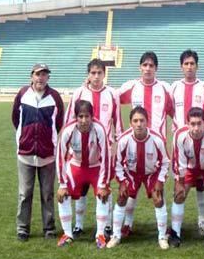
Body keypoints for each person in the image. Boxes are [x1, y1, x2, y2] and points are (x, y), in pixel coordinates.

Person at [64, 58, 122, 239]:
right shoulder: (79, 93)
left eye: (99, 73)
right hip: (80, 151)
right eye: (93, 73)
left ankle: (106, 226)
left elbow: (117, 123)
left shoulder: (112, 94)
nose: (96, 76)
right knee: (81, 189)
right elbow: (68, 122)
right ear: (88, 75)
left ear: (105, 74)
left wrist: (115, 147)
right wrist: (68, 151)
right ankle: (79, 226)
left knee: (104, 187)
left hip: (103, 152)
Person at [119, 52, 173, 237]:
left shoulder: (165, 89)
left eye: (151, 65)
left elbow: (175, 111)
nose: (148, 69)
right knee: (131, 189)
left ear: (156, 68)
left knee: (158, 188)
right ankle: (127, 223)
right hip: (134, 142)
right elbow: (111, 98)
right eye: (145, 65)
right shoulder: (131, 86)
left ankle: (163, 225)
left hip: (157, 145)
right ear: (140, 67)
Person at [12, 63, 64, 241]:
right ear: (31, 76)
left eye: (44, 74)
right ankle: (22, 229)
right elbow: (15, 119)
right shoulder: (22, 94)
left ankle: (49, 228)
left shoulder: (55, 97)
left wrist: (47, 140)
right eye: (37, 74)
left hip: (47, 154)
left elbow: (58, 123)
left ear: (48, 78)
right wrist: (25, 138)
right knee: (24, 194)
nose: (41, 78)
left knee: (47, 193)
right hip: (25, 153)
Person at [107, 106, 170, 250]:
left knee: (158, 198)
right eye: (135, 121)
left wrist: (160, 181)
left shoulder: (157, 139)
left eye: (142, 120)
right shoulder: (124, 140)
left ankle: (162, 236)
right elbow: (117, 164)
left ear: (147, 122)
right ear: (130, 123)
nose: (138, 124)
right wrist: (122, 182)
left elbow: (166, 162)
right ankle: (116, 235)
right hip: (132, 173)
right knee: (122, 197)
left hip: (151, 173)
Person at [170, 49, 204, 236]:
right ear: (181, 67)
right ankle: (174, 229)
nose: (189, 67)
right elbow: (168, 109)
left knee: (203, 183)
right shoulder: (173, 87)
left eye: (192, 64)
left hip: (202, 139)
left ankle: (202, 220)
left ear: (197, 66)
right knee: (181, 186)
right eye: (186, 64)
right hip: (182, 143)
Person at [56, 100, 110, 248]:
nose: (84, 120)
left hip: (95, 167)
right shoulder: (68, 130)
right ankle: (68, 233)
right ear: (76, 117)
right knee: (63, 195)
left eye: (87, 116)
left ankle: (100, 234)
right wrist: (62, 184)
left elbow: (106, 156)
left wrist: (104, 184)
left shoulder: (99, 129)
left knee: (103, 195)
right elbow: (60, 157)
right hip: (76, 167)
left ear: (92, 116)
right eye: (80, 116)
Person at [169, 107, 204, 247]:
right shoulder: (180, 135)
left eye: (199, 123)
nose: (196, 128)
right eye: (193, 124)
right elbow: (178, 161)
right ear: (187, 124)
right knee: (179, 195)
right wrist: (179, 182)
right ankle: (175, 233)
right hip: (189, 167)